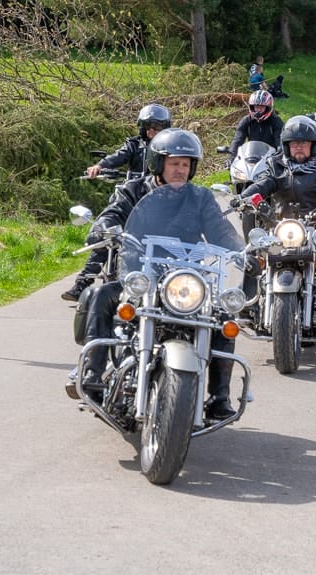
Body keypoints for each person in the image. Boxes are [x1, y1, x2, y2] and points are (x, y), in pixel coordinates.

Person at [72, 129, 247, 420]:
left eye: (185, 164)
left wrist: (242, 252)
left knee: (221, 316)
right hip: (139, 275)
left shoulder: (200, 197)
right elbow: (112, 213)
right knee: (101, 294)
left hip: (184, 280)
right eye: (174, 163)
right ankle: (92, 373)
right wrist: (104, 228)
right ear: (158, 163)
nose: (180, 170)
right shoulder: (133, 190)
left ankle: (219, 396)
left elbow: (220, 230)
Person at [240, 116, 316, 303]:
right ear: (286, 146)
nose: (299, 147)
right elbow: (263, 184)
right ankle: (247, 298)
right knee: (254, 243)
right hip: (279, 226)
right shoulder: (276, 166)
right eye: (294, 143)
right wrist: (243, 197)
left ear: (313, 145)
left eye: (304, 143)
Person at [62, 104, 172, 302]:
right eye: (148, 127)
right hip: (133, 200)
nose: (152, 131)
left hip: (159, 204)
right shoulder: (135, 145)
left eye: (157, 127)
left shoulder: (170, 150)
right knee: (109, 236)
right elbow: (118, 156)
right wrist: (100, 165)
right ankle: (82, 283)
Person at [223, 90, 284, 166]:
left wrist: (280, 155)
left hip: (271, 161)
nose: (258, 110)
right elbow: (238, 139)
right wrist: (231, 158)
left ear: (268, 107)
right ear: (252, 107)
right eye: (256, 107)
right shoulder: (246, 121)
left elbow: (280, 141)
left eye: (261, 107)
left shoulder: (276, 121)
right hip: (251, 158)